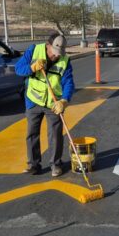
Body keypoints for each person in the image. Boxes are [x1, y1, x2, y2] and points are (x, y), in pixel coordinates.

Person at [16, 33, 75, 177]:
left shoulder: (65, 60)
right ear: (48, 45)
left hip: (53, 103)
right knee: (32, 134)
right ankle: (33, 165)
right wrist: (32, 67)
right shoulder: (33, 50)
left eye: (58, 54)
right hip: (33, 101)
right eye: (53, 52)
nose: (55, 56)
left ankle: (56, 164)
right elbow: (18, 69)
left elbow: (68, 83)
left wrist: (64, 100)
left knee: (55, 135)